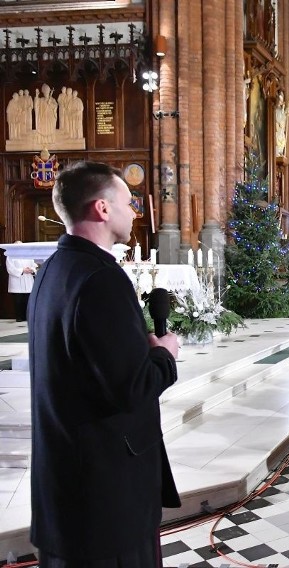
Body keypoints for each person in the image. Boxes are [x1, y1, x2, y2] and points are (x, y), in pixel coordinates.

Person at [28, 161, 181, 567]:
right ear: (102, 209)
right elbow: (131, 388)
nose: (135, 212)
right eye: (129, 203)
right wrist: (165, 353)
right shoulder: (101, 278)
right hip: (106, 501)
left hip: (66, 490)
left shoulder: (53, 271)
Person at [6, 249, 38, 322]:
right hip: (18, 281)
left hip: (28, 279)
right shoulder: (10, 256)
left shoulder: (28, 255)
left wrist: (32, 269)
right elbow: (10, 269)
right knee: (18, 300)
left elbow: (34, 265)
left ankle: (27, 316)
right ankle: (19, 317)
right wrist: (22, 270)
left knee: (28, 300)